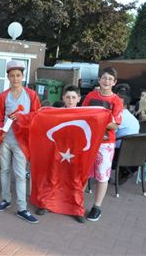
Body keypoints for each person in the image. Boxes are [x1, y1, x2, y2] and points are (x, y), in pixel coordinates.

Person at [0, 60, 41, 224]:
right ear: (8, 77)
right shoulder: (3, 96)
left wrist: (21, 118)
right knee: (4, 171)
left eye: (18, 75)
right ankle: (6, 199)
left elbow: (37, 116)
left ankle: (22, 208)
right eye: (12, 76)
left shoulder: (31, 95)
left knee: (20, 174)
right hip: (5, 140)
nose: (15, 79)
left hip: (22, 141)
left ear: (22, 76)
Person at [36, 84, 87, 223]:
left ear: (79, 99)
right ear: (63, 98)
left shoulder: (86, 114)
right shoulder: (56, 112)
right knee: (52, 176)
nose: (70, 100)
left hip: (76, 153)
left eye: (73, 97)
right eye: (68, 97)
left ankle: (76, 209)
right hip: (57, 152)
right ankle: (47, 204)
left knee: (75, 180)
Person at [82, 67, 123, 222]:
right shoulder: (91, 96)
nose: (107, 81)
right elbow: (82, 115)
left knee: (102, 176)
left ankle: (96, 207)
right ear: (99, 79)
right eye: (104, 78)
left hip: (105, 143)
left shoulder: (116, 101)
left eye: (110, 79)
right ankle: (78, 202)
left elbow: (115, 125)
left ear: (114, 82)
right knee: (83, 173)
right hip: (88, 140)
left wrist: (97, 120)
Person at [112, 94, 140, 184]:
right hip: (132, 152)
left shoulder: (119, 117)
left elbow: (110, 133)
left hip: (118, 152)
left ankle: (103, 177)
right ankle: (126, 170)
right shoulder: (133, 118)